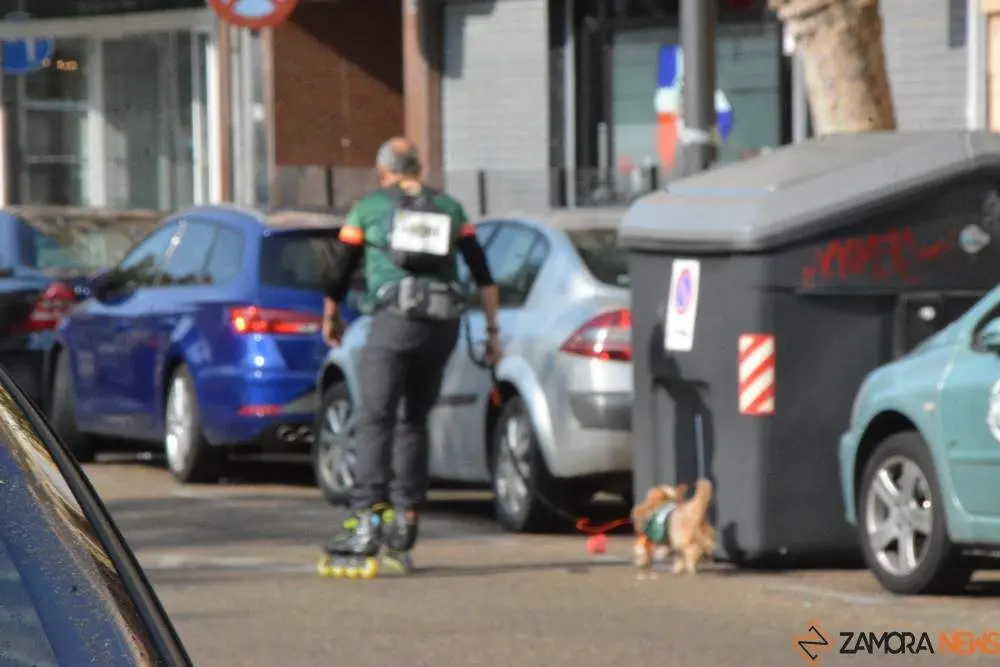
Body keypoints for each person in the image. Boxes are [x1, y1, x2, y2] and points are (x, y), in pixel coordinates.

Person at [319, 137, 500, 576]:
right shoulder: (451, 208)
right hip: (442, 326)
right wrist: (493, 331)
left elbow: (340, 268)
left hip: (394, 320)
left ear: (385, 170)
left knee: (375, 416)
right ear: (418, 167)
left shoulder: (369, 208)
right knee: (413, 419)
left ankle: (364, 518)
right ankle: (405, 520)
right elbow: (482, 273)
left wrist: (330, 316)